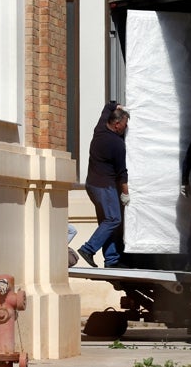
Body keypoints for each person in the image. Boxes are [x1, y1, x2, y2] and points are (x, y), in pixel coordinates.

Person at [78, 102, 130, 268]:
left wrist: (116, 105)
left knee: (106, 222)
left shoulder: (100, 128)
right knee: (114, 219)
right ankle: (88, 249)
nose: (126, 127)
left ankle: (111, 260)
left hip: (91, 186)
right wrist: (125, 194)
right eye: (124, 124)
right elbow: (122, 173)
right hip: (104, 186)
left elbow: (107, 107)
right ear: (116, 124)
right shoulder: (117, 144)